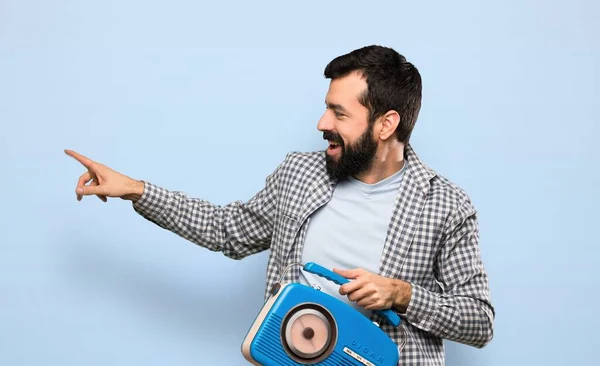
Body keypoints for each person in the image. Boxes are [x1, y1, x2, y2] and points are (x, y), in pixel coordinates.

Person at [65, 45, 494, 365]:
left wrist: (402, 294)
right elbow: (227, 230)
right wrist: (138, 190)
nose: (322, 124)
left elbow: (479, 321)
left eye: (338, 114)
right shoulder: (299, 173)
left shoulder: (446, 205)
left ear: (386, 124)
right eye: (326, 109)